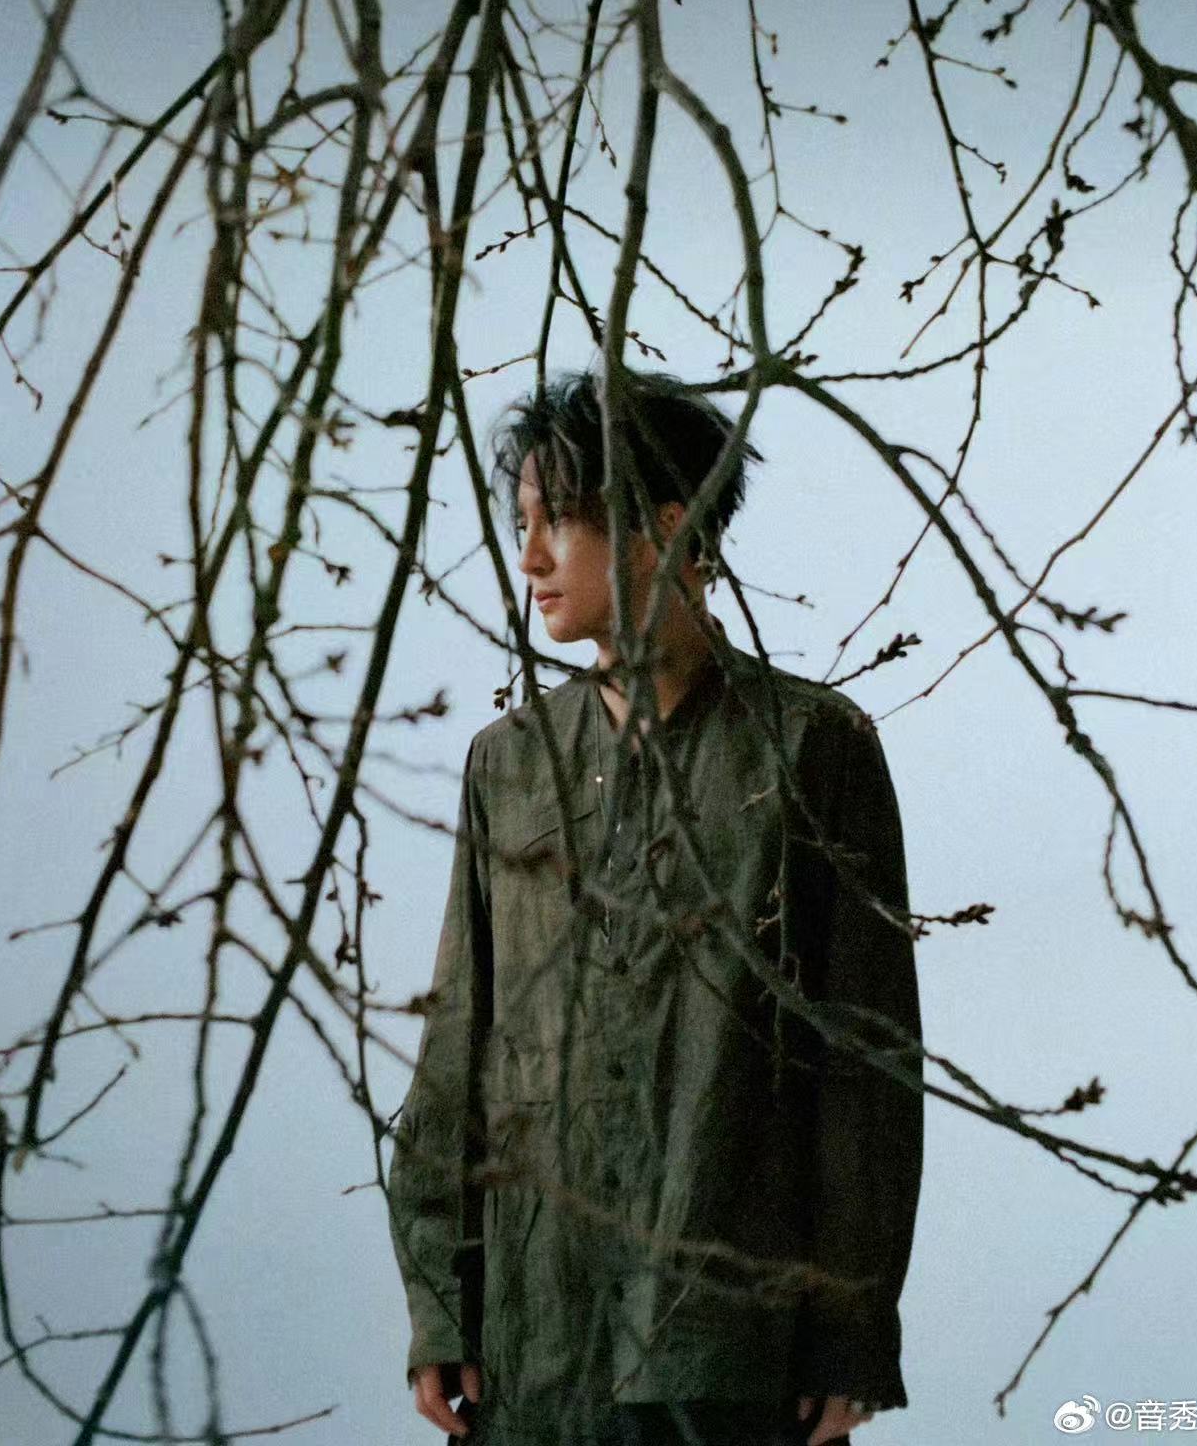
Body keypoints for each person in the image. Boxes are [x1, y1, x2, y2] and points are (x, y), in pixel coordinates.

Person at [387, 368, 924, 1446]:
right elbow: (458, 1050)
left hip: (737, 1344)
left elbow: (866, 1070)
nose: (529, 559)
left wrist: (849, 1333)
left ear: (662, 526)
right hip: (537, 1337)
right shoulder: (512, 764)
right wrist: (442, 1302)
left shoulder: (809, 748)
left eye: (556, 522)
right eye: (520, 525)